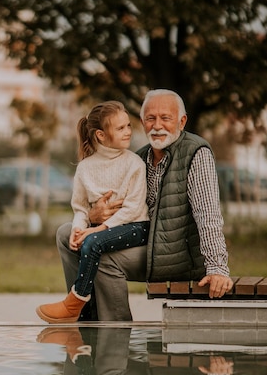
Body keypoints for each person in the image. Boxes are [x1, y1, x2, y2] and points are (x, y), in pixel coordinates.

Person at [56, 89, 234, 321]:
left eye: (165, 118)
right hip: (145, 241)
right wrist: (93, 216)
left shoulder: (195, 153)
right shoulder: (138, 158)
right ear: (142, 122)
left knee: (104, 256)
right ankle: (84, 315)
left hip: (178, 253)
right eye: (150, 118)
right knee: (65, 233)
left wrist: (217, 268)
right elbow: (121, 211)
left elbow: (207, 215)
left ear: (182, 121)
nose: (157, 125)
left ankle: (115, 335)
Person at [36, 101, 150, 323]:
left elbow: (133, 208)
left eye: (128, 126)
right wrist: (79, 230)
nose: (128, 132)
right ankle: (85, 316)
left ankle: (75, 302)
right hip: (103, 229)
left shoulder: (134, 164)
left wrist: (98, 230)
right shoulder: (85, 168)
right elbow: (80, 208)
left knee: (93, 242)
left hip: (136, 227)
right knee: (82, 239)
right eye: (120, 128)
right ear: (101, 135)